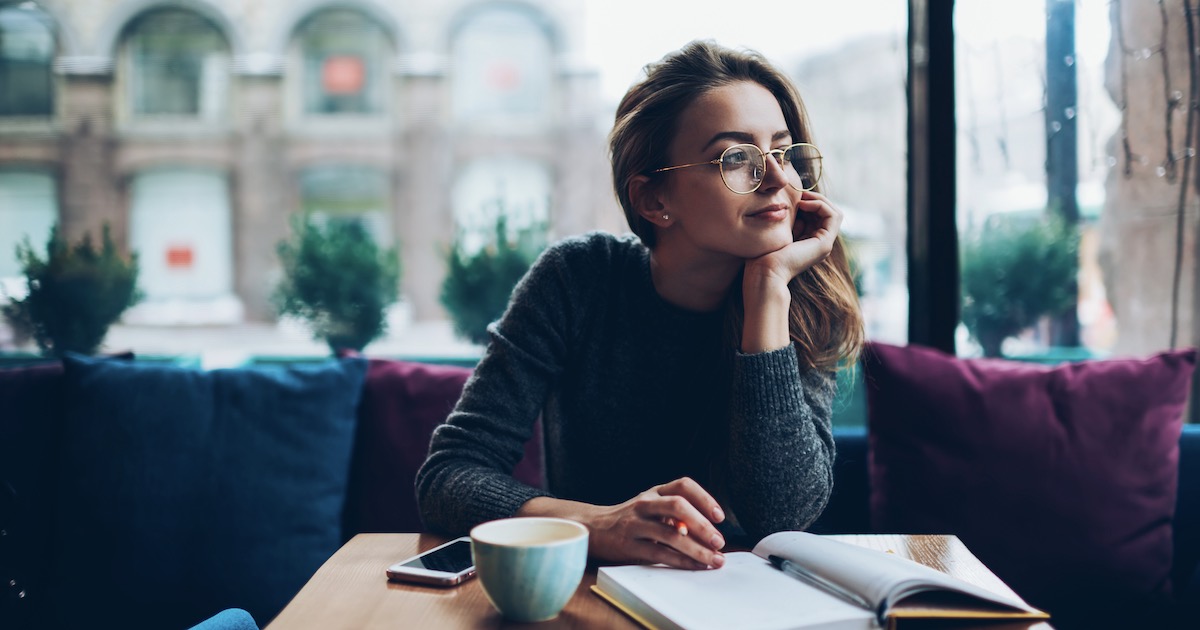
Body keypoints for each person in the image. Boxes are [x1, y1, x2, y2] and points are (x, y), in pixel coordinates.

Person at [417, 40, 864, 572]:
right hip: (592, 593)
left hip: (748, 601)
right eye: (736, 158)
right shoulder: (577, 280)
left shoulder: (804, 296)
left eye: (784, 152)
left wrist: (769, 290)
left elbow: (782, 515)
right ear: (655, 200)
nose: (777, 180)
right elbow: (448, 475)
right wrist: (596, 525)